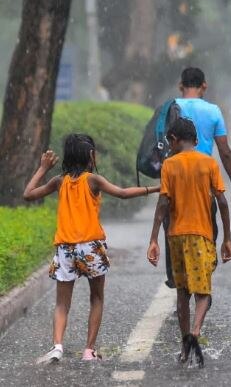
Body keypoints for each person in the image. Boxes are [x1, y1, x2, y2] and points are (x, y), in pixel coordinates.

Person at [23, 134, 159, 363]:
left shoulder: (59, 181)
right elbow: (123, 194)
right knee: (96, 298)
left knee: (61, 303)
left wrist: (42, 168)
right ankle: (89, 351)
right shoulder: (93, 180)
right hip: (91, 247)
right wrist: (155, 189)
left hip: (65, 248)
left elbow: (27, 195)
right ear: (90, 156)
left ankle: (57, 346)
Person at [147, 118, 231, 366]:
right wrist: (227, 238)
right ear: (196, 141)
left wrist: (154, 238)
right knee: (203, 292)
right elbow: (223, 203)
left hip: (175, 236)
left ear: (174, 140)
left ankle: (185, 346)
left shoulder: (169, 165)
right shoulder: (208, 163)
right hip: (201, 235)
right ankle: (196, 331)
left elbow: (163, 203)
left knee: (183, 292)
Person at [162, 67, 231, 288]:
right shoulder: (213, 111)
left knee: (172, 229)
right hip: (203, 185)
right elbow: (225, 151)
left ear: (181, 86)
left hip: (176, 182)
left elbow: (162, 145)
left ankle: (177, 280)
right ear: (204, 86)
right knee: (208, 232)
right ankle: (203, 279)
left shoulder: (172, 107)